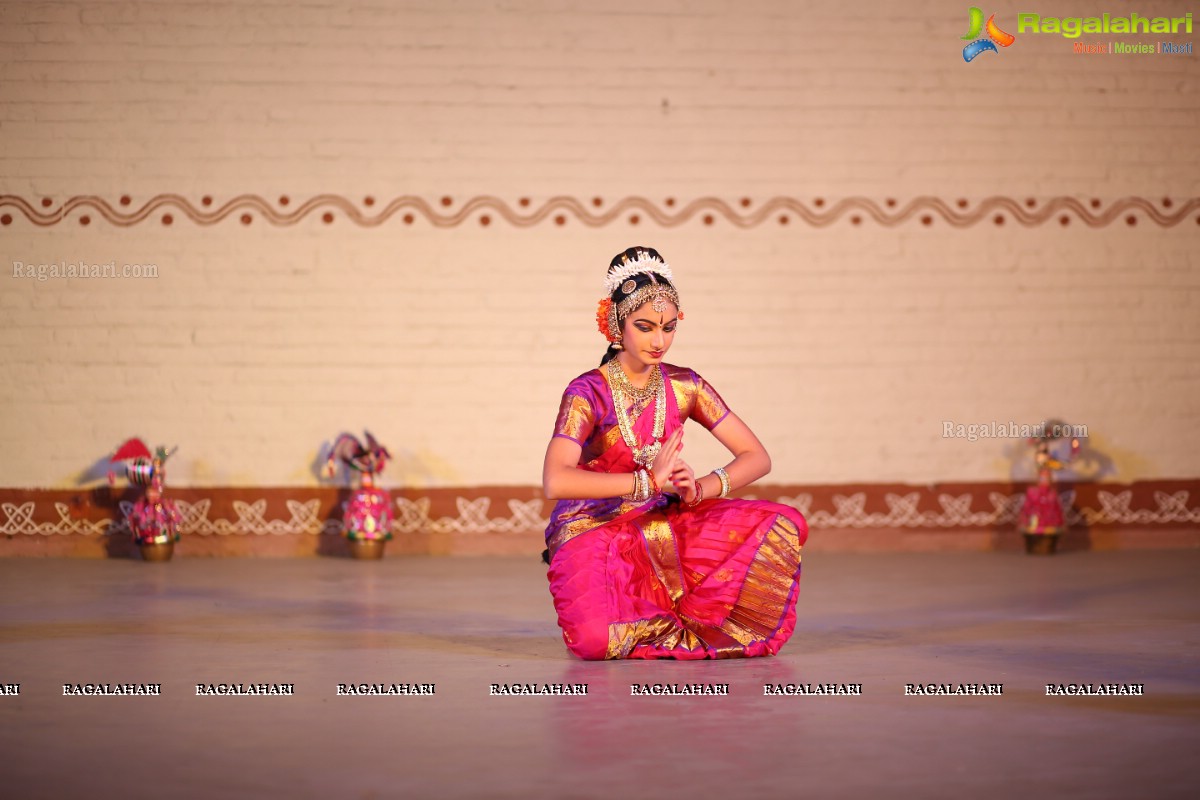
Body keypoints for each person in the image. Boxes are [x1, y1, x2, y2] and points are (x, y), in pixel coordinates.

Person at [540, 246, 808, 660]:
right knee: (595, 642)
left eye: (668, 327)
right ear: (616, 324)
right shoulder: (587, 391)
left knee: (783, 522)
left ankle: (667, 612)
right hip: (590, 526)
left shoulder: (686, 385)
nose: (658, 340)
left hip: (660, 519)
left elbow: (756, 457)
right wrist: (644, 481)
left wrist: (698, 488)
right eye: (645, 327)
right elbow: (556, 480)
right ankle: (651, 612)